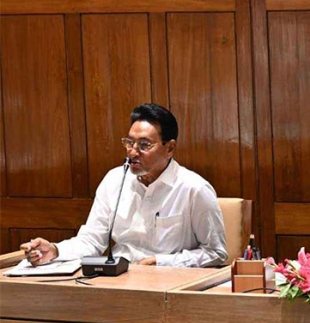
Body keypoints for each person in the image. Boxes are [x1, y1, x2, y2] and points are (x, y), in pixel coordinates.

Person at [21, 103, 228, 267]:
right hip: (119, 279)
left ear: (170, 148)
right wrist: (55, 250)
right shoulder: (114, 180)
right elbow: (92, 240)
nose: (132, 152)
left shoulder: (194, 189)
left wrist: (161, 262)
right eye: (129, 142)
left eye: (144, 145)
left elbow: (216, 252)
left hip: (169, 285)